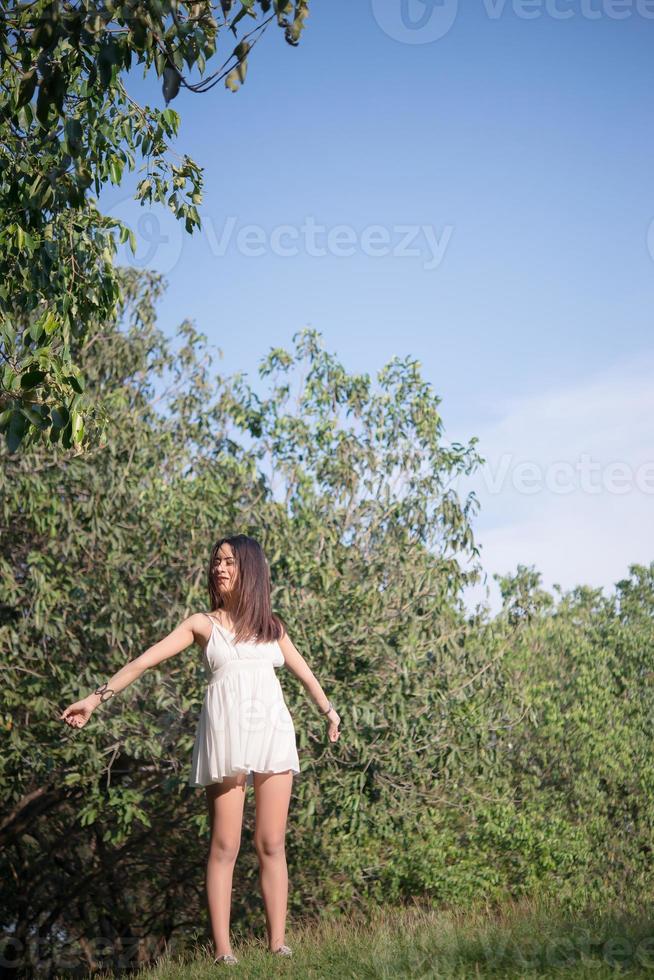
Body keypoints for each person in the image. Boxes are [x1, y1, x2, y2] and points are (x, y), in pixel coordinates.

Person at [59, 534, 341, 967]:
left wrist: (329, 711)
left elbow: (306, 676)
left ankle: (278, 946)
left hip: (272, 733)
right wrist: (95, 699)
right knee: (225, 844)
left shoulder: (273, 628)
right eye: (216, 562)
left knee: (271, 842)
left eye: (229, 562)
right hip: (226, 737)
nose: (219, 568)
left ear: (250, 570)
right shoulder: (201, 625)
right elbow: (144, 661)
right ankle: (224, 952)